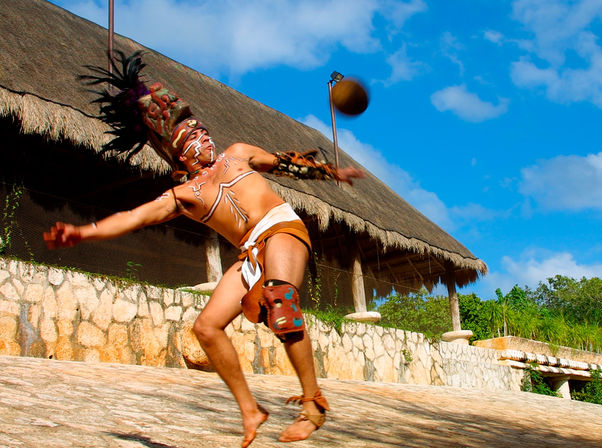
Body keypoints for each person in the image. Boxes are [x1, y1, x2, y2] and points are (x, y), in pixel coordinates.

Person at [43, 51, 364, 447]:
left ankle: (313, 405)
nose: (203, 138)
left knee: (281, 302)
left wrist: (333, 173)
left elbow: (287, 163)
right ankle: (250, 409)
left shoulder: (238, 153)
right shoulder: (183, 194)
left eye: (201, 131)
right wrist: (83, 232)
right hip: (250, 252)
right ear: (179, 153)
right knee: (207, 328)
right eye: (192, 137)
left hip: (282, 227)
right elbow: (133, 217)